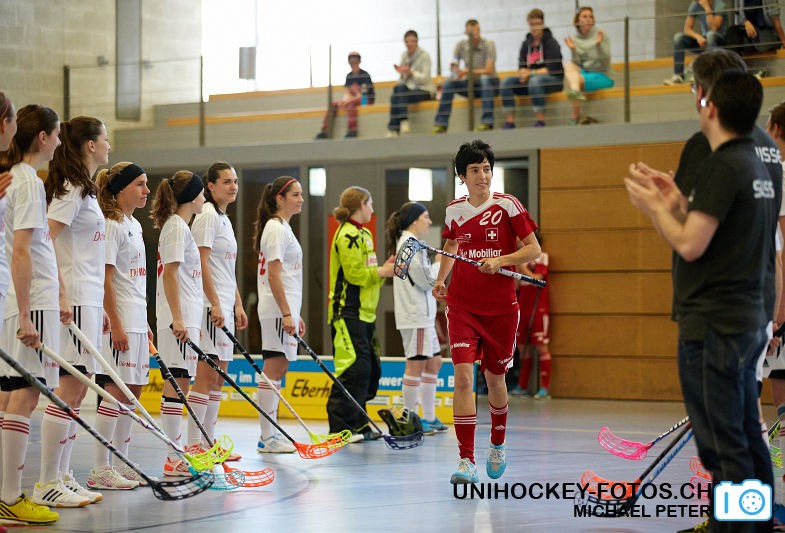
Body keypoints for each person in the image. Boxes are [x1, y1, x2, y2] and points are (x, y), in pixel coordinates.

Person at [625, 69, 777, 533]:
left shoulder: (724, 163)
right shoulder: (757, 163)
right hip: (749, 316)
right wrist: (672, 202)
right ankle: (756, 524)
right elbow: (714, 232)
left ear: (707, 104)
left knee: (723, 445)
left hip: (716, 324)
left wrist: (655, 210)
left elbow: (690, 244)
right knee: (747, 435)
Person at [434, 140, 540, 484]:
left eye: (487, 169)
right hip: (462, 305)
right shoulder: (454, 210)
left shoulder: (508, 205)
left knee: (495, 380)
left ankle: (498, 443)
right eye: (475, 170)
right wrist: (441, 280)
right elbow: (451, 245)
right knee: (463, 377)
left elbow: (533, 250)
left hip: (501, 310)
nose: (483, 175)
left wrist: (501, 260)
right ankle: (466, 460)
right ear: (462, 176)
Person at [38, 116, 113, 504]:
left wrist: (97, 303)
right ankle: (47, 482)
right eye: (104, 139)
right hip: (72, 299)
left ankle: (63, 475)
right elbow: (45, 239)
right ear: (89, 145)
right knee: (68, 390)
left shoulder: (86, 188)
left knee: (78, 391)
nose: (108, 144)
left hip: (88, 298)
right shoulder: (70, 189)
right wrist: (63, 295)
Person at [0, 104, 61, 525]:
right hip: (29, 301)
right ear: (42, 137)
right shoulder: (28, 183)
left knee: (8, 395)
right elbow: (22, 250)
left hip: (18, 299)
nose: (58, 142)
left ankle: (7, 493)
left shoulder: (15, 181)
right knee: (25, 395)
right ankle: (10, 495)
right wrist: (26, 315)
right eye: (56, 134)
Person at [90, 162, 154, 490]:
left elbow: (134, 280)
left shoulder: (134, 224)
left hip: (137, 319)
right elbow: (105, 279)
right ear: (121, 188)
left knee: (134, 393)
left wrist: (144, 325)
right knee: (115, 392)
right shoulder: (112, 224)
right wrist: (115, 322)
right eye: (140, 184)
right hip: (121, 320)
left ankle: (123, 463)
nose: (146, 190)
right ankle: (100, 468)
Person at [188, 162, 247, 460]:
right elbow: (201, 262)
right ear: (210, 186)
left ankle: (208, 442)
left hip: (224, 304)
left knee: (220, 377)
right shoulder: (207, 215)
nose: (233, 186)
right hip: (209, 307)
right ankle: (195, 445)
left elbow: (225, 268)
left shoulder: (224, 218)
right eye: (226, 181)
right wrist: (213, 302)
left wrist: (236, 303)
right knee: (206, 376)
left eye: (235, 181)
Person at [326, 186, 395, 440]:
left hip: (366, 314)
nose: (373, 209)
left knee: (370, 369)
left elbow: (369, 276)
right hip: (347, 312)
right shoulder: (347, 235)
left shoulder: (364, 234)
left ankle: (359, 420)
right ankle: (340, 427)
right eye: (370, 203)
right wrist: (382, 272)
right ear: (361, 205)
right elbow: (355, 275)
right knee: (353, 368)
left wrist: (383, 270)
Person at [151, 171, 205, 476]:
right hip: (177, 321)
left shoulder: (182, 228)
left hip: (187, 319)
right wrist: (178, 318)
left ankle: (177, 454)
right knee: (176, 384)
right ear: (191, 196)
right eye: (200, 193)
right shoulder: (175, 228)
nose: (204, 198)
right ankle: (173, 457)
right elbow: (169, 275)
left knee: (182, 383)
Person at [385, 202, 448, 435]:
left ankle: (428, 416)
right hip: (416, 315)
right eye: (426, 217)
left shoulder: (410, 244)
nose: (429, 222)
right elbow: (424, 280)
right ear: (413, 220)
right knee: (416, 363)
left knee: (434, 362)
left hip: (423, 315)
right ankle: (409, 420)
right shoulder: (410, 244)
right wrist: (441, 265)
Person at [254, 176, 304, 453]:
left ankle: (271, 433)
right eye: (295, 195)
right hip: (275, 309)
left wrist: (295, 313)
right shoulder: (275, 228)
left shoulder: (284, 228)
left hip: (284, 309)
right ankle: (266, 436)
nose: (300, 199)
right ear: (280, 199)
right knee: (273, 367)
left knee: (280, 368)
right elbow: (273, 276)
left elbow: (288, 275)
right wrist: (286, 313)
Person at [500, 9, 563, 129]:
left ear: (543, 23)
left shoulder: (551, 42)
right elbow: (521, 65)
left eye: (537, 24)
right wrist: (523, 73)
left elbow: (552, 68)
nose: (534, 27)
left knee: (535, 81)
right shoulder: (525, 44)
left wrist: (530, 73)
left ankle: (540, 121)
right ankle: (510, 122)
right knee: (506, 82)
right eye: (532, 24)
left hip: (553, 79)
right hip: (530, 80)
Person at [432, 19, 498, 134]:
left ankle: (487, 122)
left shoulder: (489, 44)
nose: (474, 35)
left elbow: (488, 70)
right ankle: (441, 124)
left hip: (490, 84)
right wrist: (455, 71)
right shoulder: (461, 45)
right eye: (470, 32)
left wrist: (467, 71)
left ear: (479, 30)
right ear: (466, 33)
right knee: (448, 83)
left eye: (476, 31)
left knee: (484, 79)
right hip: (471, 84)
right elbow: (454, 64)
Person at [510, 246, 550, 399]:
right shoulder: (519, 257)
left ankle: (544, 388)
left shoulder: (542, 256)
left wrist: (521, 269)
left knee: (541, 347)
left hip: (538, 308)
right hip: (522, 307)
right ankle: (522, 386)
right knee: (522, 348)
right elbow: (516, 286)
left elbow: (539, 279)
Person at [563, 6, 614, 125]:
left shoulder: (601, 35)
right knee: (569, 65)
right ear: (578, 20)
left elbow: (606, 61)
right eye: (584, 16)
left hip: (602, 74)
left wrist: (598, 45)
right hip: (585, 72)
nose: (588, 19)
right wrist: (573, 49)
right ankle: (576, 92)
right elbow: (578, 62)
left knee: (575, 80)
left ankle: (574, 116)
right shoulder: (575, 39)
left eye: (591, 16)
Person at [664, 0, 728, 85]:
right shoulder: (695, 5)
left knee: (710, 35)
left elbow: (713, 27)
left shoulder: (719, 4)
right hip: (705, 41)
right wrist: (698, 37)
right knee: (678, 37)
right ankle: (678, 75)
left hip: (719, 41)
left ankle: (707, 73)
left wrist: (707, 7)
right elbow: (687, 29)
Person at [315, 52, 374, 140]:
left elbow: (364, 93)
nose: (353, 64)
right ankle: (325, 131)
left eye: (355, 62)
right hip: (351, 99)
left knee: (350, 104)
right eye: (351, 62)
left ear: (359, 61)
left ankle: (352, 130)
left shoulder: (365, 74)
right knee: (333, 104)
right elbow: (347, 92)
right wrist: (345, 100)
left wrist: (352, 98)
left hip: (365, 99)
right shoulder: (349, 76)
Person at [386, 30, 433, 137]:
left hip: (424, 89)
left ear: (417, 42)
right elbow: (402, 82)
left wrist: (411, 73)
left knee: (396, 95)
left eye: (412, 41)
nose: (409, 44)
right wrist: (403, 74)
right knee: (397, 91)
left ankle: (394, 127)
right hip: (408, 90)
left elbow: (425, 79)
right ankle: (402, 122)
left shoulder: (425, 56)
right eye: (407, 41)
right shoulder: (404, 55)